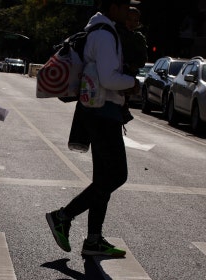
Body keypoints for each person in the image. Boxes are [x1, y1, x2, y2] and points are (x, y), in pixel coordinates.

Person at [46, 0, 141, 258]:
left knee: (103, 180)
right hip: (103, 113)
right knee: (117, 175)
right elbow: (109, 78)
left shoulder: (100, 31)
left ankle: (93, 240)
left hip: (98, 111)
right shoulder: (105, 34)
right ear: (113, 8)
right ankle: (63, 216)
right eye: (124, 7)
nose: (128, 12)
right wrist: (133, 83)